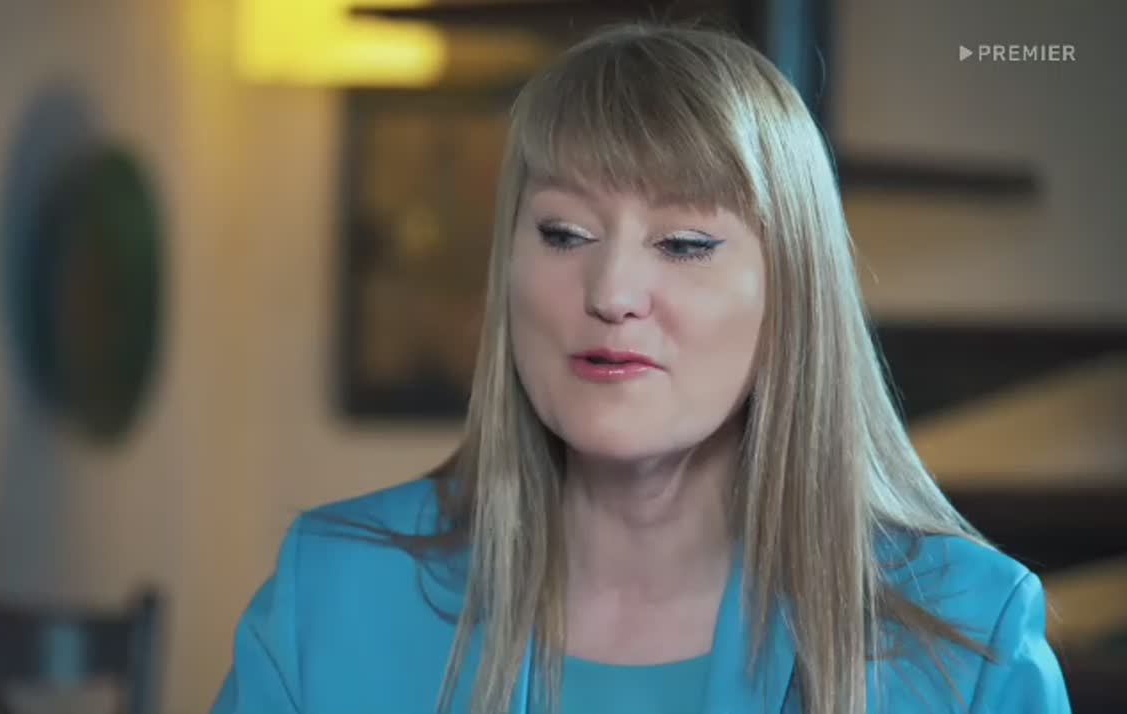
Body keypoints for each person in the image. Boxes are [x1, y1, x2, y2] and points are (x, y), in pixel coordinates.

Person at [211, 23, 1071, 714]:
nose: (612, 291)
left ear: (793, 292)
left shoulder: (968, 643)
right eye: (565, 233)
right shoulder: (331, 594)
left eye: (684, 243)